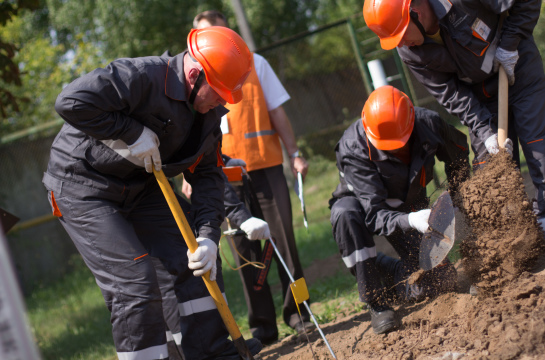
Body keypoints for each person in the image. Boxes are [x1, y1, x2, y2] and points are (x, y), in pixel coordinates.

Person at [42, 26, 263, 360]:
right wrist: (129, 133)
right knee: (136, 281)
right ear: (194, 74)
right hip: (82, 185)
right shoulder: (140, 76)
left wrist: (206, 237)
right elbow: (71, 101)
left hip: (141, 185)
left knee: (191, 261)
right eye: (218, 91)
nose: (222, 101)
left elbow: (207, 175)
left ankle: (211, 353)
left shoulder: (208, 116)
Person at [363, 0, 545, 228]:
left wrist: (509, 45)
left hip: (518, 68)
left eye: (401, 35)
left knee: (539, 148)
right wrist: (484, 131)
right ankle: (520, 236)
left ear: (415, 13)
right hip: (479, 98)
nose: (402, 44)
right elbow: (450, 94)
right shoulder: (410, 53)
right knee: (492, 173)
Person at [190, 10, 313, 344]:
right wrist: (191, 175)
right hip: (225, 178)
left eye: (220, 31)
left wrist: (294, 153)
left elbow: (277, 112)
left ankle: (301, 313)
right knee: (244, 252)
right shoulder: (195, 76)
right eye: (206, 32)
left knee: (285, 243)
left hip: (267, 166)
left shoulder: (256, 63)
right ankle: (262, 326)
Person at [329, 85, 470, 335]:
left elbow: (457, 151)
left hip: (410, 202)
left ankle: (394, 272)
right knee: (345, 215)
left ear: (411, 121)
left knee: (437, 282)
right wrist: (412, 220)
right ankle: (377, 302)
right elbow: (374, 214)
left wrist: (459, 193)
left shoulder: (428, 123)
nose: (394, 149)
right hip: (365, 207)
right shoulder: (352, 148)